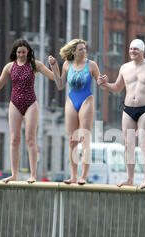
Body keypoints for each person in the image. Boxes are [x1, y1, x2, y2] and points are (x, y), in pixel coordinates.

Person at [0, 39, 60, 184]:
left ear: (28, 52)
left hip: (31, 102)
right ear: (15, 52)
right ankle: (14, 174)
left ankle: (33, 174)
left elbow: (54, 78)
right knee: (14, 139)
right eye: (19, 52)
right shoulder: (9, 67)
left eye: (24, 53)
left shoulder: (34, 64)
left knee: (30, 139)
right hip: (15, 103)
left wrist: (54, 66)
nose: (21, 55)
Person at [97, 39, 145, 189]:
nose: (132, 51)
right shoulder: (124, 68)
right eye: (130, 49)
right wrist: (104, 85)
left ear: (142, 50)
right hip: (128, 109)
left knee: (144, 144)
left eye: (136, 49)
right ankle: (129, 179)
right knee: (128, 145)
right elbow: (117, 88)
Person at [48, 39, 102, 185]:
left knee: (84, 138)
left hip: (86, 100)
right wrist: (54, 67)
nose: (84, 51)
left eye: (85, 49)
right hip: (71, 100)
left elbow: (100, 82)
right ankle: (73, 176)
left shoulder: (91, 65)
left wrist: (102, 80)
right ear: (73, 52)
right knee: (72, 140)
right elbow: (60, 85)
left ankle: (83, 176)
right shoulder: (67, 64)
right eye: (81, 49)